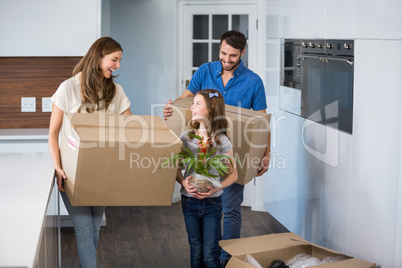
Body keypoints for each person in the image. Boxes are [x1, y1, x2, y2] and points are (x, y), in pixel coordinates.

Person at [163, 30, 271, 266]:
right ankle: (208, 256)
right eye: (223, 53)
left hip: (233, 150)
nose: (226, 59)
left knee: (231, 208)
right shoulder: (205, 71)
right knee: (204, 208)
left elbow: (263, 123)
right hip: (202, 148)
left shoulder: (253, 82)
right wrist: (170, 110)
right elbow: (184, 102)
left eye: (232, 55)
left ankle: (226, 260)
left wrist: (266, 153)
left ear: (242, 52)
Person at [48, 37, 131, 268]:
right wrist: (57, 167)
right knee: (84, 230)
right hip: (71, 174)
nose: (118, 66)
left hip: (103, 172)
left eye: (119, 61)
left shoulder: (115, 91)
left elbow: (131, 128)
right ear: (98, 57)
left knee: (94, 227)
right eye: (114, 60)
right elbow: (53, 133)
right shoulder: (68, 88)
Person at [176, 89, 238, 268]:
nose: (192, 107)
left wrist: (216, 188)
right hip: (189, 201)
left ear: (210, 110)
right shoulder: (187, 137)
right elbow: (176, 168)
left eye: (197, 103)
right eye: (193, 103)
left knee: (211, 254)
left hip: (212, 204)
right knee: (195, 250)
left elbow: (234, 175)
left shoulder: (222, 140)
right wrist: (183, 182)